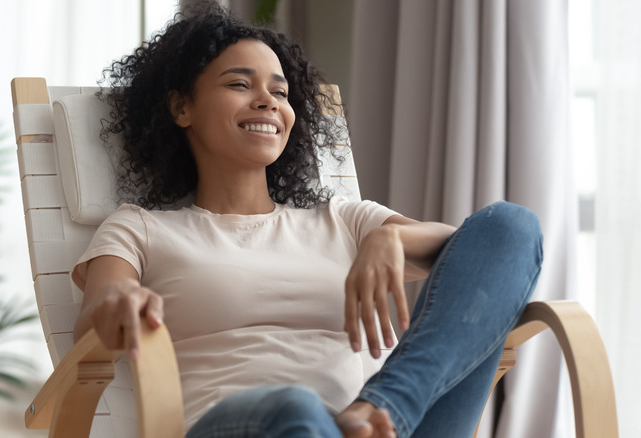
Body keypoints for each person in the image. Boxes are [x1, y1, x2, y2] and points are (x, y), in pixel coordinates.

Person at [71, 5, 543, 438]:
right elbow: (97, 312)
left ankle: (385, 407)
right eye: (239, 84)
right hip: (245, 425)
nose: (267, 101)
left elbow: (485, 251)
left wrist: (393, 240)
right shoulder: (141, 228)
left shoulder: (344, 220)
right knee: (296, 408)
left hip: (383, 425)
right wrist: (120, 301)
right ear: (181, 107)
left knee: (513, 224)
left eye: (280, 91)